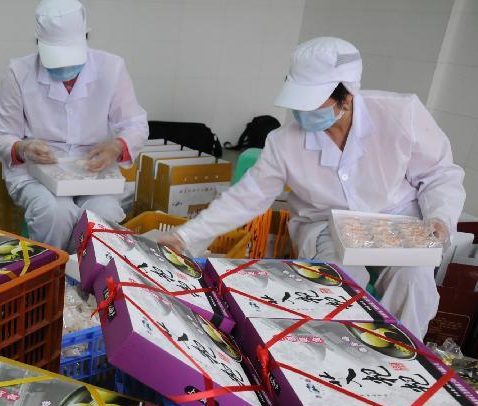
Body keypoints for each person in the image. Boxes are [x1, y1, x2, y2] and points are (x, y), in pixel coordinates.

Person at [160, 37, 465, 339]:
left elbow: (439, 174)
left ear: (347, 95)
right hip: (325, 224)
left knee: (415, 283)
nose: (302, 113)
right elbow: (246, 198)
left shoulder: (401, 115)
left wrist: (440, 217)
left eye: (314, 102)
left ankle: (401, 355)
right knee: (342, 284)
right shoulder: (284, 142)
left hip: (395, 222)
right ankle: (339, 351)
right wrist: (185, 236)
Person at [0, 0, 148, 250]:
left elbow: (135, 123)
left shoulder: (111, 68)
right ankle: (51, 275)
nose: (65, 68)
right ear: (39, 45)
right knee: (56, 213)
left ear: (85, 37)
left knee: (103, 214)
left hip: (92, 168)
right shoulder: (18, 72)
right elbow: (0, 134)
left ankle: (89, 280)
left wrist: (117, 146)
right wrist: (23, 148)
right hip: (37, 172)